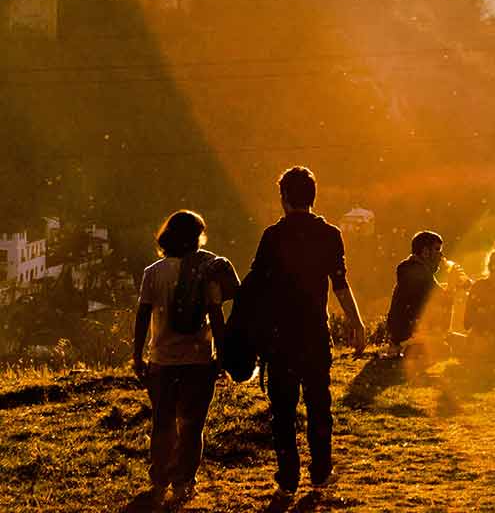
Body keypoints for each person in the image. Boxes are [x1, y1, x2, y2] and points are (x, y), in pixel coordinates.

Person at [249, 166, 366, 500]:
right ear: (313, 197)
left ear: (283, 198)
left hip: (280, 336)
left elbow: (256, 286)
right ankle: (321, 470)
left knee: (283, 409)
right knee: (319, 403)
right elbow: (340, 285)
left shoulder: (273, 236)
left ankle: (288, 477)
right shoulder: (329, 234)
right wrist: (356, 324)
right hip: (315, 333)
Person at [132, 210, 238, 508]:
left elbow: (142, 316)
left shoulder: (153, 272)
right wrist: (222, 355)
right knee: (192, 426)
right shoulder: (205, 271)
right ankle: (184, 483)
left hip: (162, 360)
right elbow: (216, 315)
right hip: (198, 361)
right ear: (197, 238)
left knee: (162, 422)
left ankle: (159, 479)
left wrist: (137, 354)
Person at [386, 230, 470, 364]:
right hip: (412, 334)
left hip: (414, 332)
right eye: (437, 250)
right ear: (425, 252)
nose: (441, 255)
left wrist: (454, 284)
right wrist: (453, 283)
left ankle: (412, 348)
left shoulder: (414, 269)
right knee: (465, 346)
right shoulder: (414, 270)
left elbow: (433, 292)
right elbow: (441, 301)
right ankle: (413, 349)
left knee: (466, 343)